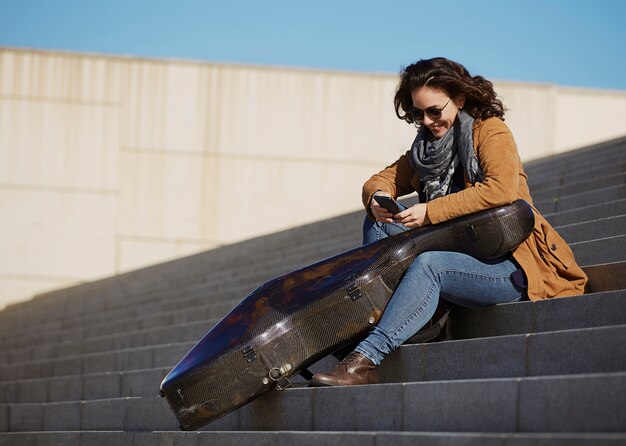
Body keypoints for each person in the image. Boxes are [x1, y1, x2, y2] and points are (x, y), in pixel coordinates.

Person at [310, 57, 587, 387]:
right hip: (460, 250)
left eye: (434, 111)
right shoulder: (426, 149)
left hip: (508, 265)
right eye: (417, 113)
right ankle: (391, 316)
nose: (427, 121)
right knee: (379, 224)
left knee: (431, 265)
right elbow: (381, 179)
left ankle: (366, 359)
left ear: (459, 98)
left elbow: (500, 190)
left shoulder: (490, 131)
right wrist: (375, 198)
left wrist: (430, 212)